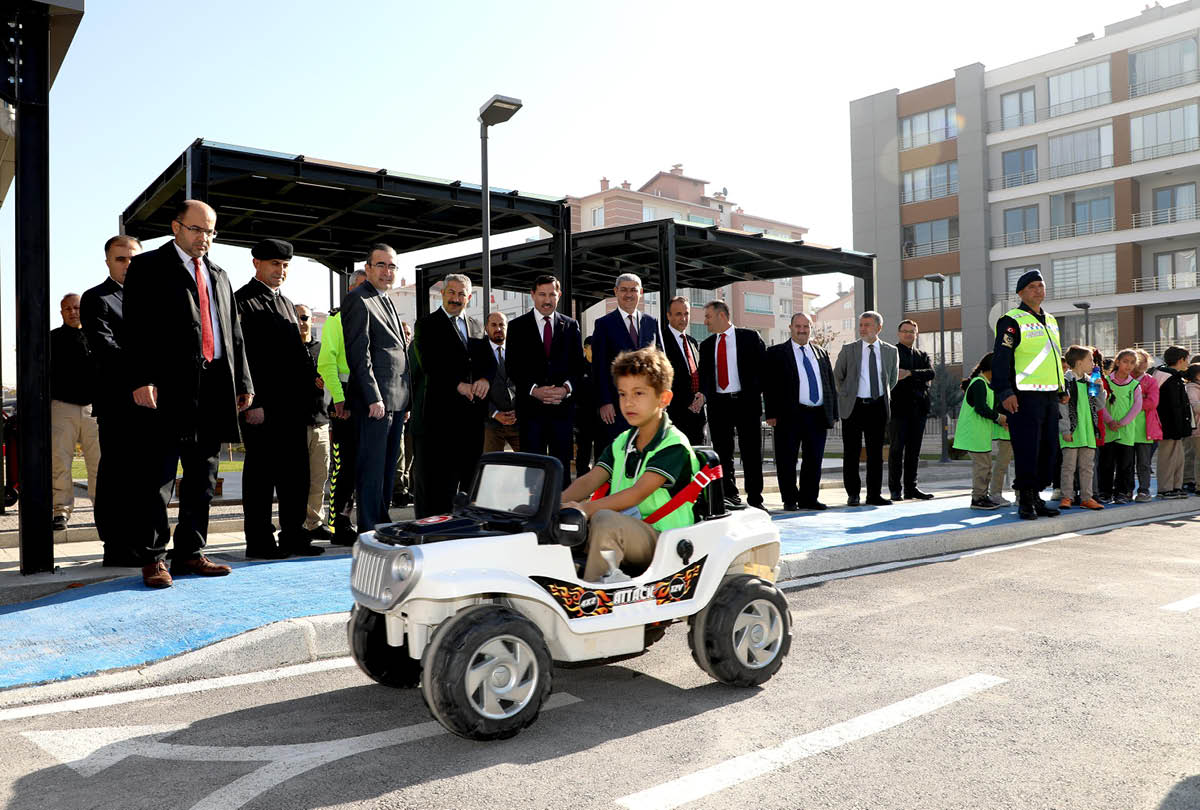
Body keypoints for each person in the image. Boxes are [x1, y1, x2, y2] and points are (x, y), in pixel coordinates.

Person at [124, 199, 252, 588]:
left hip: (214, 389)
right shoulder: (148, 267)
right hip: (167, 389)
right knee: (158, 477)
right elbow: (135, 329)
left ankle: (191, 553)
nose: (205, 239)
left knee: (202, 477)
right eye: (198, 230)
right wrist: (141, 378)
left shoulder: (219, 274)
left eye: (211, 232)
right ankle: (153, 558)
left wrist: (243, 383)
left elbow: (234, 334)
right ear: (176, 227)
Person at [560, 347, 699, 582]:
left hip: (663, 538)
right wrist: (554, 504)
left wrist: (585, 509)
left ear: (663, 398)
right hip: (629, 527)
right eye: (622, 394)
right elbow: (590, 479)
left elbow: (636, 494)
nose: (628, 403)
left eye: (638, 393)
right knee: (562, 522)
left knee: (602, 519)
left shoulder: (673, 445)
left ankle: (594, 597)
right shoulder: (623, 441)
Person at [233, 239, 322, 558]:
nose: (280, 270)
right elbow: (241, 357)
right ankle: (259, 541)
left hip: (293, 408)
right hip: (263, 408)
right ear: (256, 263)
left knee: (295, 477)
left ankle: (294, 536)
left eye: (285, 266)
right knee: (260, 478)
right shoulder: (241, 302)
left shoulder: (286, 302)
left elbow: (296, 356)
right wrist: (252, 403)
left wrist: (313, 389)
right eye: (274, 264)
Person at [81, 235, 143, 565]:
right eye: (121, 259)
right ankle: (116, 547)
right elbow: (107, 349)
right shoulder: (97, 299)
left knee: (145, 479)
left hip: (152, 405)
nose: (128, 264)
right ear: (108, 262)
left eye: (133, 258)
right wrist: (145, 373)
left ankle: (142, 543)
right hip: (118, 404)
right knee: (116, 476)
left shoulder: (151, 300)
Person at [410, 273, 492, 518]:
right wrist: (459, 385)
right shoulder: (426, 325)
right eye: (451, 293)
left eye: (461, 294)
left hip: (471, 422)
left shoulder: (477, 326)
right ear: (443, 294)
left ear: (468, 297)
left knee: (471, 485)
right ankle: (431, 536)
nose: (456, 299)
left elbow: (488, 360)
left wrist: (484, 379)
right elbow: (430, 364)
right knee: (437, 487)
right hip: (438, 421)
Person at [343, 244, 412, 532]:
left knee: (386, 469)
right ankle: (369, 526)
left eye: (392, 266)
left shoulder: (385, 299)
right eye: (381, 265)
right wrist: (374, 397)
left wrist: (404, 402)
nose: (387, 271)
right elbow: (360, 354)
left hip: (395, 400)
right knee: (371, 467)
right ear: (368, 268)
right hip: (376, 402)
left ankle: (381, 524)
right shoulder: (358, 300)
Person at [991, 270, 1065, 520]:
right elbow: (1001, 359)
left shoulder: (1052, 320)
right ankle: (1025, 499)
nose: (1038, 290)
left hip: (1050, 396)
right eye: (1032, 286)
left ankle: (1036, 494)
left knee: (1049, 450)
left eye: (1040, 286)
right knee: (1027, 449)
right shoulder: (1011, 320)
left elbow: (1055, 358)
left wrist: (1061, 388)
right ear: (1020, 292)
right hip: (1024, 396)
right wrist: (1004, 392)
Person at [506, 275, 585, 475]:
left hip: (562, 412)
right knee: (532, 471)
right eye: (542, 294)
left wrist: (565, 389)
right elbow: (512, 367)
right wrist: (534, 390)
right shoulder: (516, 327)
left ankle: (561, 506)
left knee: (561, 471)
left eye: (552, 294)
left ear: (559, 295)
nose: (547, 300)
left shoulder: (571, 326)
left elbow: (578, 367)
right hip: (531, 413)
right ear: (532, 295)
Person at [698, 300, 767, 509]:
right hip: (719, 406)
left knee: (751, 454)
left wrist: (756, 393)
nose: (705, 321)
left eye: (708, 316)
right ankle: (730, 496)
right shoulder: (707, 345)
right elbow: (705, 377)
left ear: (721, 316)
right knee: (723, 454)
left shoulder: (750, 337)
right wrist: (705, 396)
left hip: (746, 404)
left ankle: (755, 499)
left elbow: (764, 370)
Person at [765, 312, 837, 511]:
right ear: (790, 328)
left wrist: (832, 414)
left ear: (810, 328)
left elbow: (829, 384)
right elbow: (769, 385)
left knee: (814, 459)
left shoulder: (821, 352)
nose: (802, 330)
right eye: (798, 326)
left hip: (817, 414)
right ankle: (789, 499)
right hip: (789, 415)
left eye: (806, 326)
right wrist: (770, 413)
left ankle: (809, 498)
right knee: (787, 459)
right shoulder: (776, 352)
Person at [316, 269, 367, 546]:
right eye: (359, 287)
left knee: (363, 464)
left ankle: (358, 518)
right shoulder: (337, 319)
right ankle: (339, 523)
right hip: (346, 396)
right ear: (350, 291)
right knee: (345, 465)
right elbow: (326, 362)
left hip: (369, 395)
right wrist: (338, 398)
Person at [833, 311, 899, 507]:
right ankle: (853, 494)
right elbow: (838, 376)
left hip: (877, 407)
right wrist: (848, 393)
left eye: (867, 325)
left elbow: (892, 379)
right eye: (861, 325)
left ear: (878, 328)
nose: (862, 329)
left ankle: (874, 495)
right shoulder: (848, 349)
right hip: (853, 407)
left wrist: (879, 394)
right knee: (851, 453)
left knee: (875, 454)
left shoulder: (889, 351)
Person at [49, 293, 101, 532]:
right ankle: (60, 511)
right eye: (67, 308)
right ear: (61, 313)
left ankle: (103, 511)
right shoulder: (51, 339)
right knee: (60, 462)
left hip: (94, 409)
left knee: (100, 464)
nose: (73, 312)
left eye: (77, 307)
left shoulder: (98, 336)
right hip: (63, 408)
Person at [591, 273, 664, 441]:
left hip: (648, 405)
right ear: (616, 291)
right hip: (617, 406)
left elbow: (662, 363)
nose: (628, 294)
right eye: (624, 290)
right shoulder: (603, 324)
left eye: (633, 290)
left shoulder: (652, 322)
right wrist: (604, 402)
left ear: (641, 292)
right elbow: (599, 367)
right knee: (620, 454)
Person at [952, 353, 1008, 510]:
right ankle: (978, 498)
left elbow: (989, 409)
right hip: (974, 434)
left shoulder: (987, 385)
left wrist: (1000, 421)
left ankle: (982, 496)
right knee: (982, 467)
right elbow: (981, 408)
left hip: (981, 434)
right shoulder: (979, 383)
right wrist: (999, 418)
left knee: (986, 466)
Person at [296, 303, 332, 541]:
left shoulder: (322, 349)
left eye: (305, 317)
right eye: (297, 317)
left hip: (321, 423)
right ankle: (296, 526)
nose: (302, 322)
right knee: (297, 481)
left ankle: (315, 523)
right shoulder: (286, 350)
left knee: (320, 477)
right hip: (295, 426)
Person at [888, 320, 935, 501]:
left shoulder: (922, 354)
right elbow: (892, 376)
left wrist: (909, 373)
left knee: (914, 452)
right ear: (899, 333)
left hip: (919, 409)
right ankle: (895, 489)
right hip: (898, 409)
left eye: (912, 332)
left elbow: (930, 373)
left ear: (916, 334)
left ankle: (911, 488)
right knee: (896, 450)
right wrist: (917, 376)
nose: (908, 334)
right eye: (905, 331)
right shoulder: (892, 353)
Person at [1057, 345, 1105, 511]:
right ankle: (1066, 497)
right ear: (1078, 363)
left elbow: (1099, 405)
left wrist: (1100, 389)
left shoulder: (1090, 382)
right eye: (1090, 360)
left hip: (1088, 432)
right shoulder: (1065, 382)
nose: (1093, 363)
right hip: (1072, 431)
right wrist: (1065, 430)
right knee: (1068, 467)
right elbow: (1062, 408)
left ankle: (1087, 497)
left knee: (1087, 467)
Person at [1097, 349, 1141, 504]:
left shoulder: (1135, 385)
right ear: (1117, 362)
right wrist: (1109, 421)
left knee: (1125, 465)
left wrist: (1122, 423)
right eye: (1125, 361)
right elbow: (1100, 404)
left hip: (1126, 431)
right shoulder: (1105, 382)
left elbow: (1137, 406)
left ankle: (1122, 492)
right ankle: (1105, 492)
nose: (1129, 365)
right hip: (1108, 430)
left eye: (1132, 362)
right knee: (1106, 463)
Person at [662, 296, 706, 446]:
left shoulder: (692, 342)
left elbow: (699, 374)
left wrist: (702, 397)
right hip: (674, 416)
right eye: (678, 314)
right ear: (668, 316)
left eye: (686, 313)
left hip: (697, 415)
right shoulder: (660, 342)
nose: (684, 318)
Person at [1153, 345, 1194, 499]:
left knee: (1178, 458)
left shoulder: (1175, 376)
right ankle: (1165, 488)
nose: (1187, 363)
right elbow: (1166, 406)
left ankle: (1176, 486)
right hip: (1167, 425)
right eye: (1186, 359)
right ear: (1180, 359)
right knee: (1167, 458)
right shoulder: (1166, 376)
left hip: (1177, 426)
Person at [482, 311, 519, 453]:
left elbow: (525, 382)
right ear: (486, 328)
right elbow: (474, 386)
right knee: (492, 467)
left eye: (502, 325)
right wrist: (495, 413)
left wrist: (519, 411)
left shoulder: (518, 349)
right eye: (493, 325)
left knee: (528, 463)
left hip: (517, 421)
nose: (498, 329)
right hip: (491, 424)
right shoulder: (478, 351)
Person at [1130, 348, 1161, 503]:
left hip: (1145, 429)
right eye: (1138, 361)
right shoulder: (1122, 379)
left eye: (1144, 361)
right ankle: (1125, 491)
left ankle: (1144, 490)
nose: (1141, 364)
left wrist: (1134, 402)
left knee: (1144, 464)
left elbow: (1153, 402)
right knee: (1126, 464)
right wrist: (1141, 398)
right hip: (1126, 429)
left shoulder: (1151, 380)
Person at [574, 337, 600, 477]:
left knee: (600, 452)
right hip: (583, 418)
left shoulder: (601, 367)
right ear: (585, 348)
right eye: (592, 347)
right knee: (583, 452)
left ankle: (598, 483)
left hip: (600, 417)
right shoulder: (578, 367)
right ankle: (581, 482)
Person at [1184, 364, 1200, 488]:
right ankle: (1190, 481)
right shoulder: (1192, 388)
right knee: (1193, 455)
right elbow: (1196, 406)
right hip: (1196, 428)